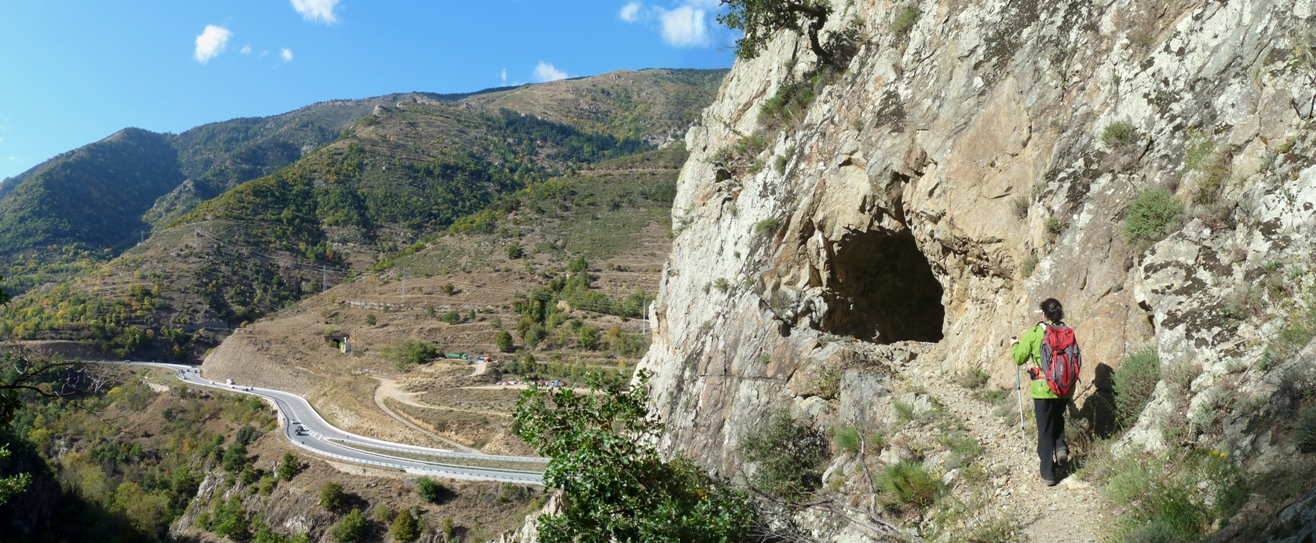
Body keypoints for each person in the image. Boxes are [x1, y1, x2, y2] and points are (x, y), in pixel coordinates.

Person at [1011, 298, 1073, 486]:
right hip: (1065, 386)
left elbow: (1019, 358)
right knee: (1059, 417)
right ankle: (1061, 446)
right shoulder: (1067, 331)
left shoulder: (1036, 332)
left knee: (1045, 430)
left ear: (1044, 314)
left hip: (1043, 388)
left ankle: (1048, 473)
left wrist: (1014, 344)